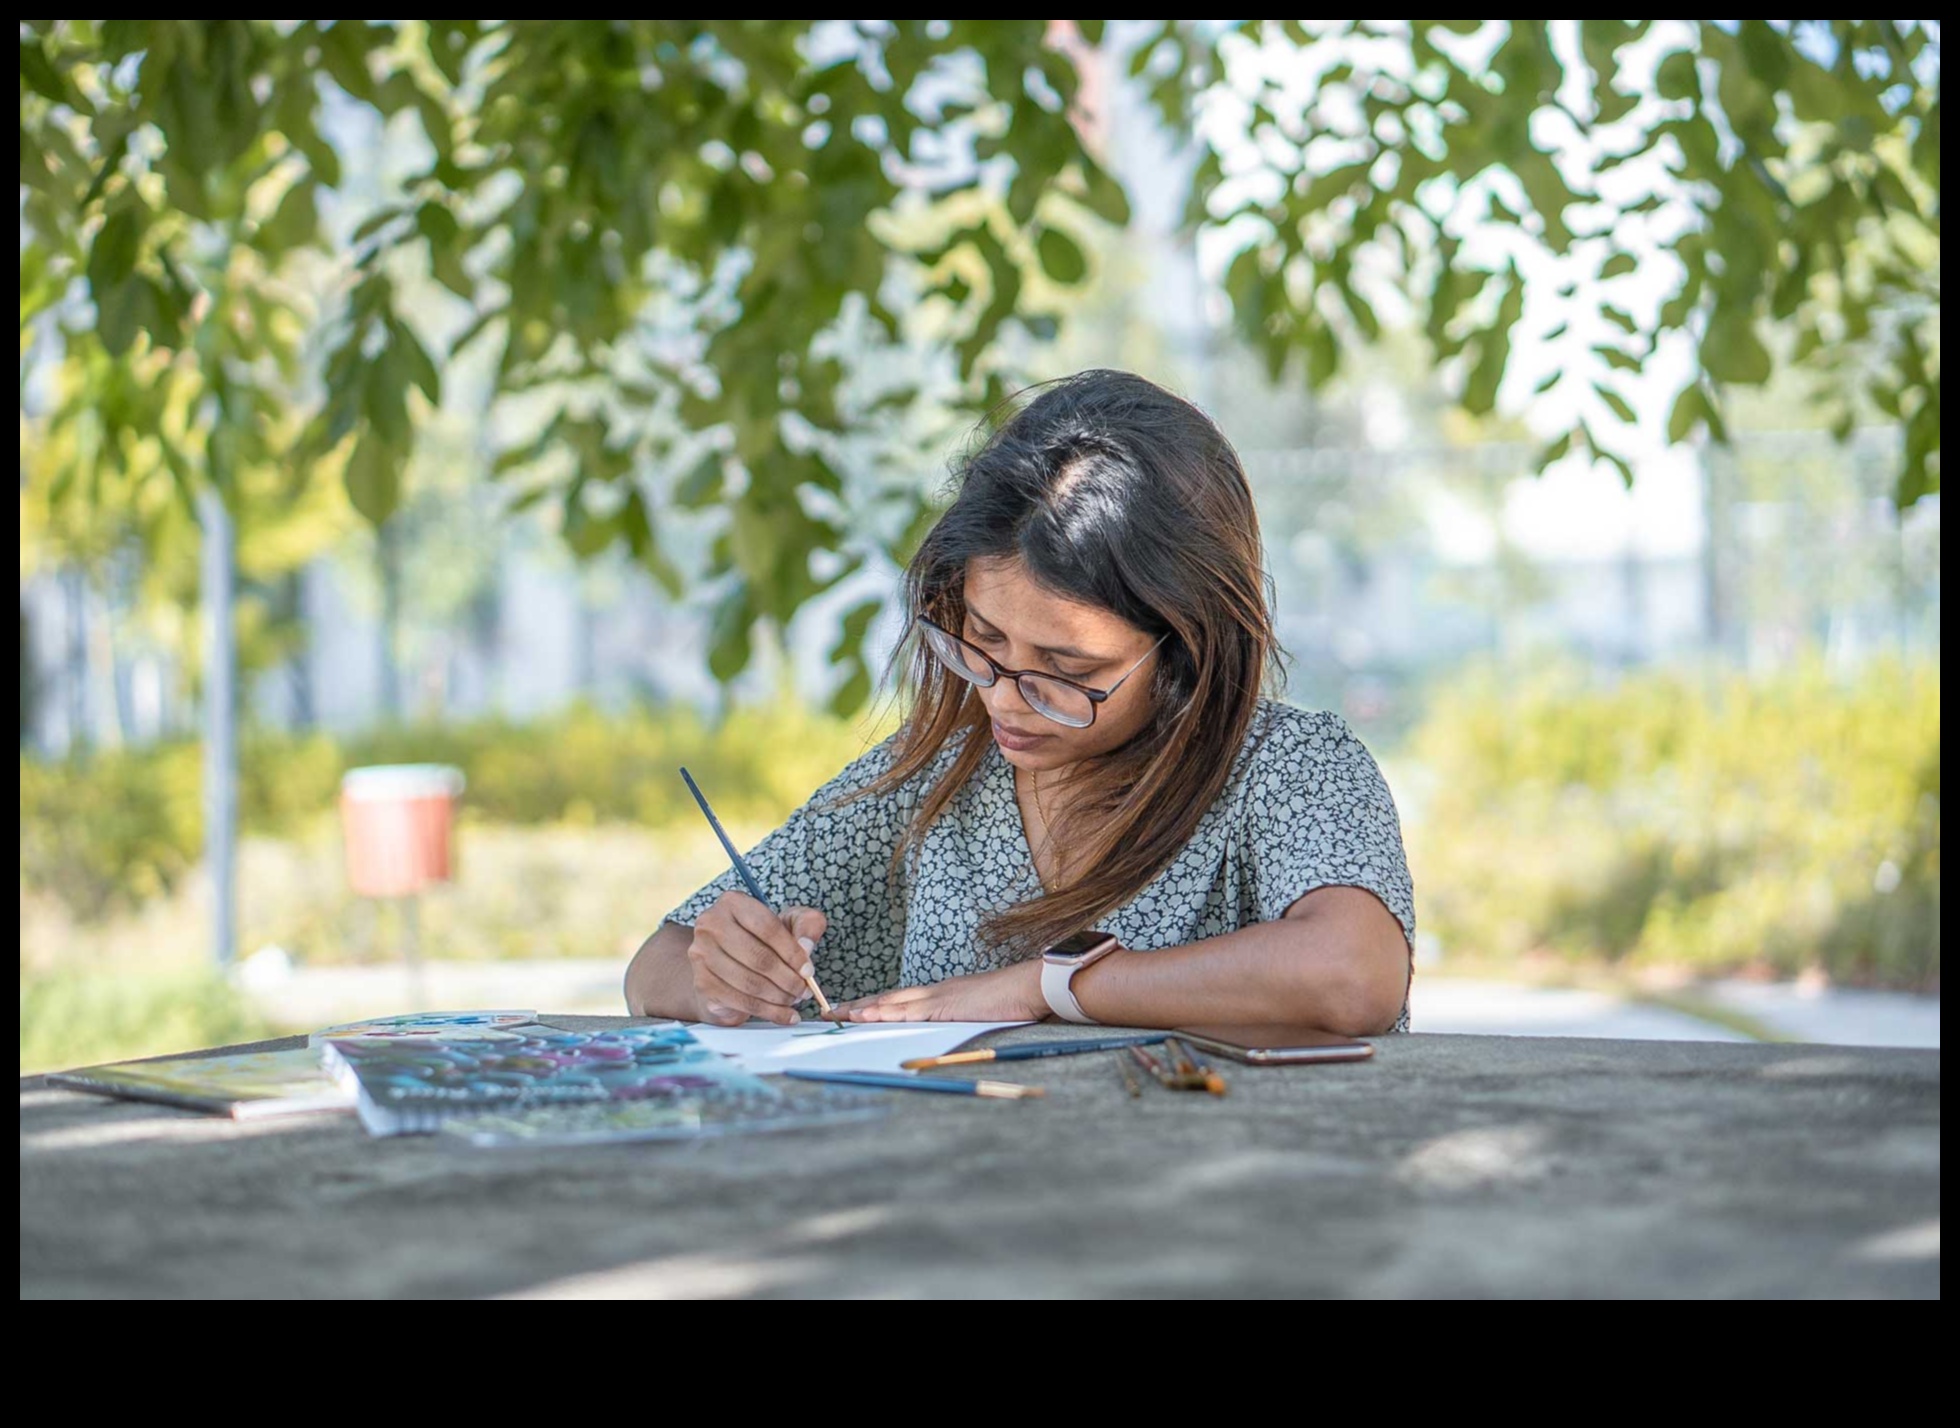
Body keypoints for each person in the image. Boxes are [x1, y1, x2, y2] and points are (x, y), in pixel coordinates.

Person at [625, 369, 1417, 1034]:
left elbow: (1352, 975)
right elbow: (654, 967)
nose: (1005, 699)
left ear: (1188, 650)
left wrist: (1050, 986)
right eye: (983, 640)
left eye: (1066, 669)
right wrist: (724, 977)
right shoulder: (933, 784)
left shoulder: (1288, 769)